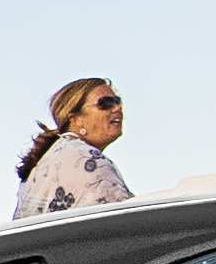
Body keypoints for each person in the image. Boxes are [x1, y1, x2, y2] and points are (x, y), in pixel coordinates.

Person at [12, 76, 133, 219]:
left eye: (118, 102)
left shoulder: (48, 159)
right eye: (106, 103)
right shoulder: (87, 160)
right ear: (76, 119)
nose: (117, 108)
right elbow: (127, 222)